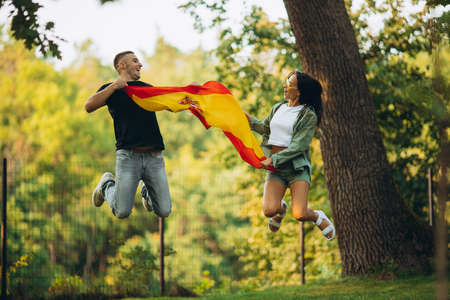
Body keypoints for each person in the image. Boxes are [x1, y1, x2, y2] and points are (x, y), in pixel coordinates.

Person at [245, 71, 335, 240]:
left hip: (296, 169)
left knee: (300, 214)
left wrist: (274, 158)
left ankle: (317, 216)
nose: (285, 86)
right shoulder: (278, 108)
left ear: (299, 91)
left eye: (289, 84)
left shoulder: (308, 115)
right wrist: (248, 120)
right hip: (276, 168)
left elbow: (298, 146)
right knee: (269, 211)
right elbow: (266, 129)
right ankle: (280, 209)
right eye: (286, 82)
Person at [85, 50, 171, 219]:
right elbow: (89, 105)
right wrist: (114, 86)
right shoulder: (111, 90)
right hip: (128, 157)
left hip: (154, 157)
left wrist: (192, 92)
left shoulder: (147, 89)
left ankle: (146, 191)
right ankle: (106, 185)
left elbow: (171, 102)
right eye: (135, 61)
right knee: (122, 211)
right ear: (122, 65)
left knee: (164, 211)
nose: (140, 64)